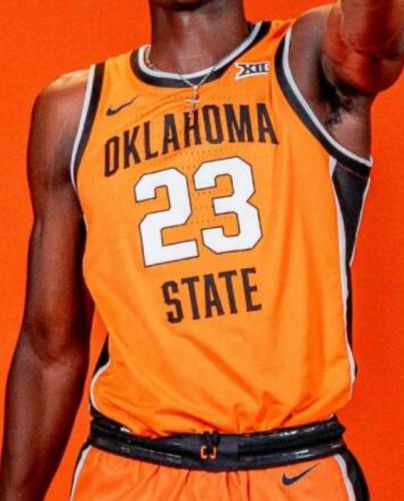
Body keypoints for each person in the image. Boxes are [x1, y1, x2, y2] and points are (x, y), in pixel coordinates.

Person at [1, 0, 403, 499]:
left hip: (291, 470)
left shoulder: (306, 60)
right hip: (128, 470)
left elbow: (376, 41)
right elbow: (49, 349)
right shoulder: (74, 111)